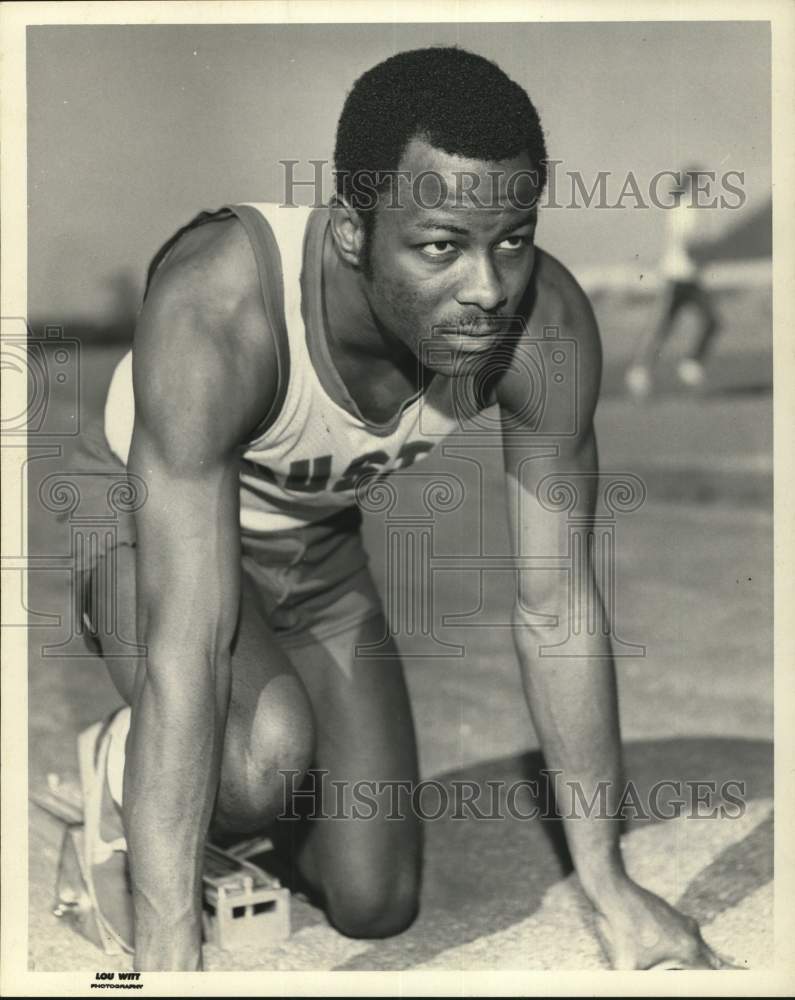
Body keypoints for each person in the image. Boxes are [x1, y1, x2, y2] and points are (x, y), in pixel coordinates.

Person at [74, 47, 725, 971]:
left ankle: (224, 796)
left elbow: (558, 609)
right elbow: (189, 639)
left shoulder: (541, 328)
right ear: (350, 232)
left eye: (511, 237)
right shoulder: (219, 308)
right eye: (438, 246)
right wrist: (167, 959)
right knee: (261, 758)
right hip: (154, 549)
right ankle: (122, 761)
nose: (486, 288)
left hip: (314, 558)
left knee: (375, 900)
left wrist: (608, 884)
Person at [625, 166, 720, 397]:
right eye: (702, 183)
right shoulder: (686, 208)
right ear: (691, 184)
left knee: (707, 321)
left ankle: (688, 366)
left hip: (688, 277)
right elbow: (688, 242)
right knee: (666, 326)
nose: (705, 188)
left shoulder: (688, 208)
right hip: (677, 276)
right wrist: (706, 252)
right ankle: (642, 372)